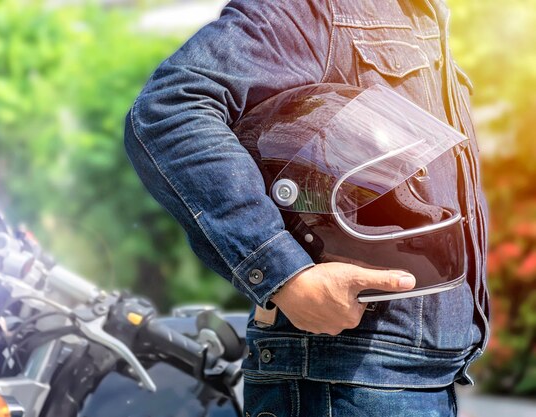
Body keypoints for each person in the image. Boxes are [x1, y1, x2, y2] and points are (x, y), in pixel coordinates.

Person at [124, 1, 489, 416]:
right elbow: (171, 109)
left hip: (412, 376)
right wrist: (284, 274)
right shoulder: (314, 7)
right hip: (343, 375)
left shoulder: (421, 10)